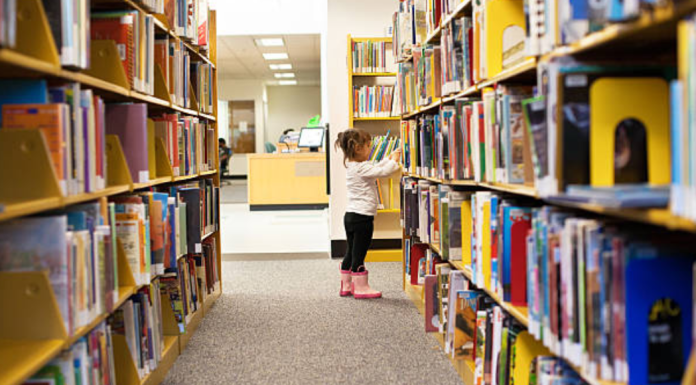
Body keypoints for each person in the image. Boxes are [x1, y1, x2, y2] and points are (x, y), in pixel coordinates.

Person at [334, 128, 401, 299]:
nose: (370, 149)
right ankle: (361, 288)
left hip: (351, 216)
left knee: (350, 250)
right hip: (362, 218)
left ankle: (346, 285)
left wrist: (388, 158)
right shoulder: (361, 168)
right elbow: (383, 172)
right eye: (368, 146)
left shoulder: (353, 165)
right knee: (359, 253)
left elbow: (376, 166)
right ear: (358, 148)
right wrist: (394, 162)